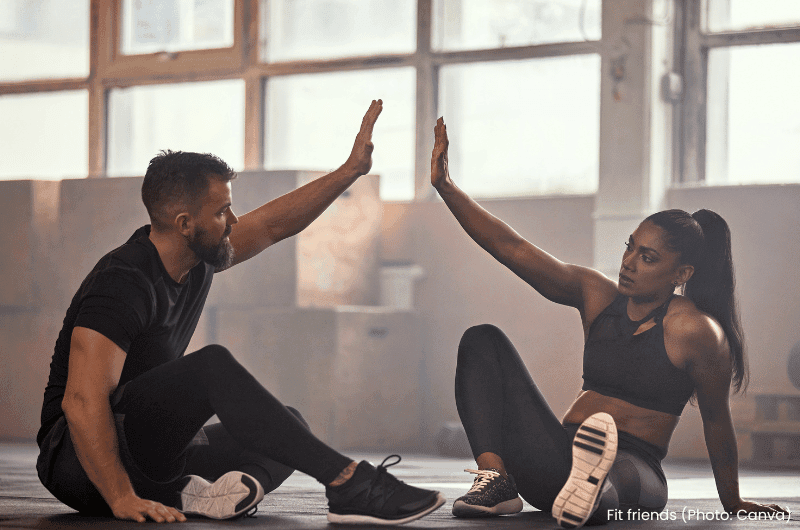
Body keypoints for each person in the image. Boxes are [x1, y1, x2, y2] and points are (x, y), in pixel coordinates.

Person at [36, 100, 445, 525]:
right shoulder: (123, 281)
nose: (233, 220)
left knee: (288, 424)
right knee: (211, 366)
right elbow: (82, 402)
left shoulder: (197, 257)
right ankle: (349, 482)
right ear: (184, 224)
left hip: (147, 451)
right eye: (221, 211)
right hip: (76, 462)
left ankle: (205, 493)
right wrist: (120, 497)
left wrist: (348, 173)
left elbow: (272, 225)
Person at [429, 118, 788, 528]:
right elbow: (512, 247)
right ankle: (497, 481)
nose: (629, 263)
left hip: (636, 468)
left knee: (612, 484)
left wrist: (734, 500)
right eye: (630, 247)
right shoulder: (597, 296)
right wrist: (446, 188)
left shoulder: (697, 331)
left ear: (681, 274)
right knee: (482, 340)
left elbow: (716, 419)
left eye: (648, 257)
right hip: (557, 457)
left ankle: (591, 492)